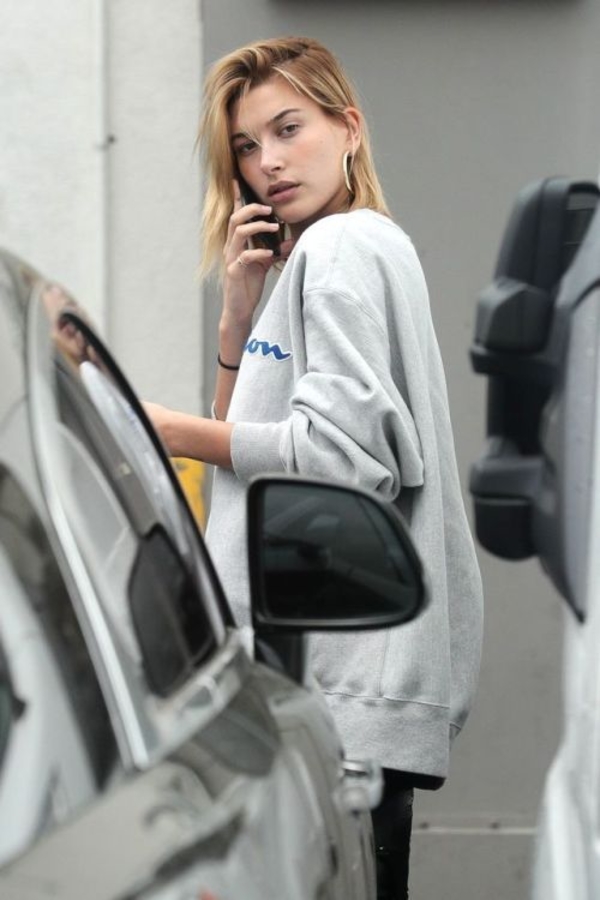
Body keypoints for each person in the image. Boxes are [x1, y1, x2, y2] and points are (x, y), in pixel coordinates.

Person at [145, 36, 483, 899]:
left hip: (333, 694)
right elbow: (253, 464)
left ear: (349, 128)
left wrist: (170, 430)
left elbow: (342, 459)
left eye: (288, 129)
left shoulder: (338, 252)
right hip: (334, 698)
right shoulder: (342, 254)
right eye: (246, 147)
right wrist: (236, 324)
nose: (268, 162)